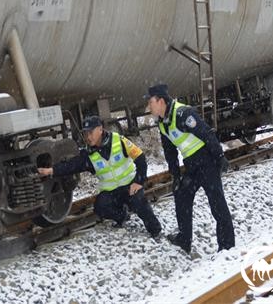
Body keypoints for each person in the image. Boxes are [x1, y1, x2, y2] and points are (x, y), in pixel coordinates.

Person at [145, 84, 235, 254]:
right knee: (182, 195)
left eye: (150, 102)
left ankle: (227, 245)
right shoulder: (163, 123)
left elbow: (206, 133)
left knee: (217, 203)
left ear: (161, 101)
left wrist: (219, 156)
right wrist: (176, 175)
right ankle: (184, 239)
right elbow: (169, 151)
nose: (148, 107)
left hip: (207, 161)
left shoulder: (183, 114)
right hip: (192, 165)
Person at [38, 115, 162, 239]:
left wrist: (139, 181)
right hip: (111, 192)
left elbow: (140, 158)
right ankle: (122, 216)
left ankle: (155, 230)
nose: (88, 137)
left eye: (90, 132)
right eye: (85, 133)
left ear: (100, 130)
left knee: (140, 203)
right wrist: (52, 170)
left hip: (130, 186)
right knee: (100, 207)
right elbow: (72, 165)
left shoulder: (119, 140)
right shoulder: (88, 154)